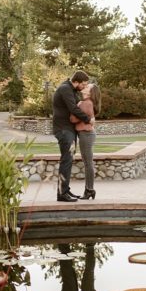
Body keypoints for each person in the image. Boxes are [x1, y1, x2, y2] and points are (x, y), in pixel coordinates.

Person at [51, 71, 92, 202]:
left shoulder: (71, 90)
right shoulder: (65, 89)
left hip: (68, 130)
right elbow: (73, 109)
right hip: (63, 130)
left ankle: (65, 189)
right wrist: (88, 119)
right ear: (77, 81)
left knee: (69, 159)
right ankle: (62, 194)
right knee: (66, 160)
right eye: (83, 84)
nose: (84, 87)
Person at [70, 82, 101, 200]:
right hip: (86, 134)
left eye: (88, 87)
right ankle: (89, 189)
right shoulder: (86, 103)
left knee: (88, 163)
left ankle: (89, 190)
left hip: (86, 134)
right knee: (88, 163)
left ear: (90, 92)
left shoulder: (86, 103)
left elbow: (72, 119)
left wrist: (77, 105)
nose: (85, 86)